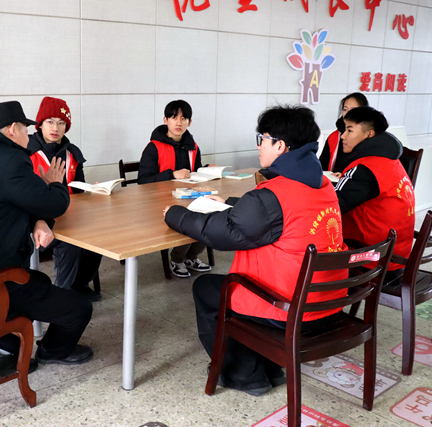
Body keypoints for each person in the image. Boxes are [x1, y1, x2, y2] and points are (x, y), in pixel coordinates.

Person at [164, 105, 348, 396]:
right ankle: (268, 367)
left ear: (280, 145)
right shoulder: (322, 184)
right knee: (228, 286)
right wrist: (235, 203)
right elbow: (280, 215)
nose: (259, 145)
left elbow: (223, 233)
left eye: (262, 139)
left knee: (207, 288)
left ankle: (244, 374)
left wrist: (175, 214)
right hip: (327, 300)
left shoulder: (272, 195)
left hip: (290, 308)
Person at [0, 100, 94, 378]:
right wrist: (55, 183)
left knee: (39, 282)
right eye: (26, 127)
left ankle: (4, 354)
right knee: (79, 307)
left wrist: (39, 219)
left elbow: (17, 201)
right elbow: (54, 204)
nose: (29, 133)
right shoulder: (10, 159)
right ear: (14, 129)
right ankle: (54, 350)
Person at [27, 97, 103, 301]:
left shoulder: (72, 154)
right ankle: (62, 295)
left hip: (69, 216)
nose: (55, 128)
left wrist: (91, 191)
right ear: (40, 124)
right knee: (70, 242)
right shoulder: (26, 153)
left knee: (99, 234)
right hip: (35, 222)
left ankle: (80, 285)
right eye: (50, 121)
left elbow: (79, 191)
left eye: (61, 123)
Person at [335, 106, 414, 281]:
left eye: (349, 130)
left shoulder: (366, 169)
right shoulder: (391, 161)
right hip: (396, 255)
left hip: (371, 260)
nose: (343, 136)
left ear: (369, 134)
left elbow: (333, 207)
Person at [138, 99, 212, 278]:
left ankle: (191, 257)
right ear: (165, 120)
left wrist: (207, 170)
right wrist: (172, 174)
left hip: (189, 196)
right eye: (174, 118)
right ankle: (177, 259)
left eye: (183, 118)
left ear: (189, 122)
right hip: (160, 201)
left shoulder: (193, 147)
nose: (179, 122)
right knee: (188, 219)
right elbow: (143, 181)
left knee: (211, 215)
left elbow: (194, 172)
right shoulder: (154, 147)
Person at [319, 93, 368, 173]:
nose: (347, 113)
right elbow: (322, 167)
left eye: (353, 110)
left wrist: (345, 175)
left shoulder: (369, 137)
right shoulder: (334, 137)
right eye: (345, 109)